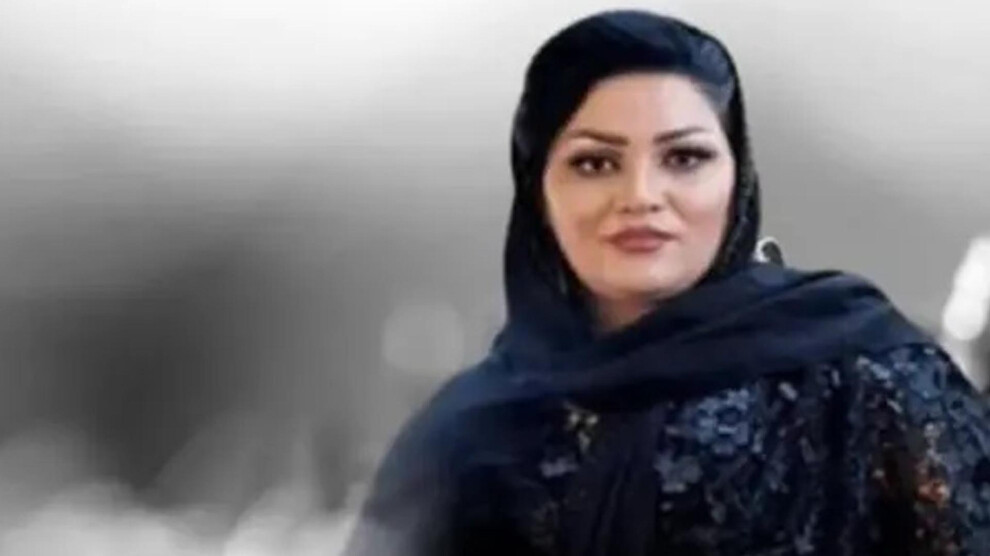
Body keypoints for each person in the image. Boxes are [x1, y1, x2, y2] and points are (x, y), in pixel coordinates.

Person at [344, 10, 990, 555]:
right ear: (537, 188)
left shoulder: (868, 383)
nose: (641, 196)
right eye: (595, 163)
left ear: (737, 178)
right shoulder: (465, 438)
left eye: (684, 157)